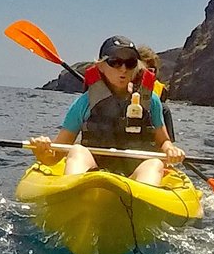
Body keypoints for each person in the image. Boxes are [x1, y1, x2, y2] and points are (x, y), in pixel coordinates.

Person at [27, 36, 186, 186]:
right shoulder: (84, 103)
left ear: (136, 67)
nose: (123, 69)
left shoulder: (151, 101)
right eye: (115, 62)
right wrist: (42, 151)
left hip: (137, 176)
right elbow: (55, 156)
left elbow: (163, 141)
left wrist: (170, 149)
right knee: (77, 151)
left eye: (129, 63)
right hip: (93, 174)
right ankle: (74, 191)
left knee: (155, 163)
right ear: (101, 66)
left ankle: (141, 201)